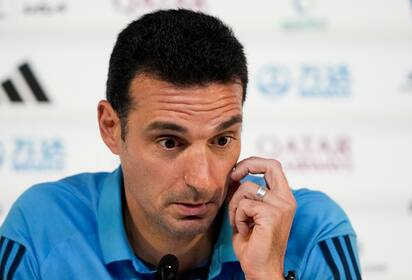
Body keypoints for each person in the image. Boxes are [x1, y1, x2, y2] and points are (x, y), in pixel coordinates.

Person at [0, 9, 361, 280]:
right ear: (111, 127)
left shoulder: (312, 232)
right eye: (170, 142)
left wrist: (266, 275)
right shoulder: (41, 227)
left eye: (222, 140)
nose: (203, 181)